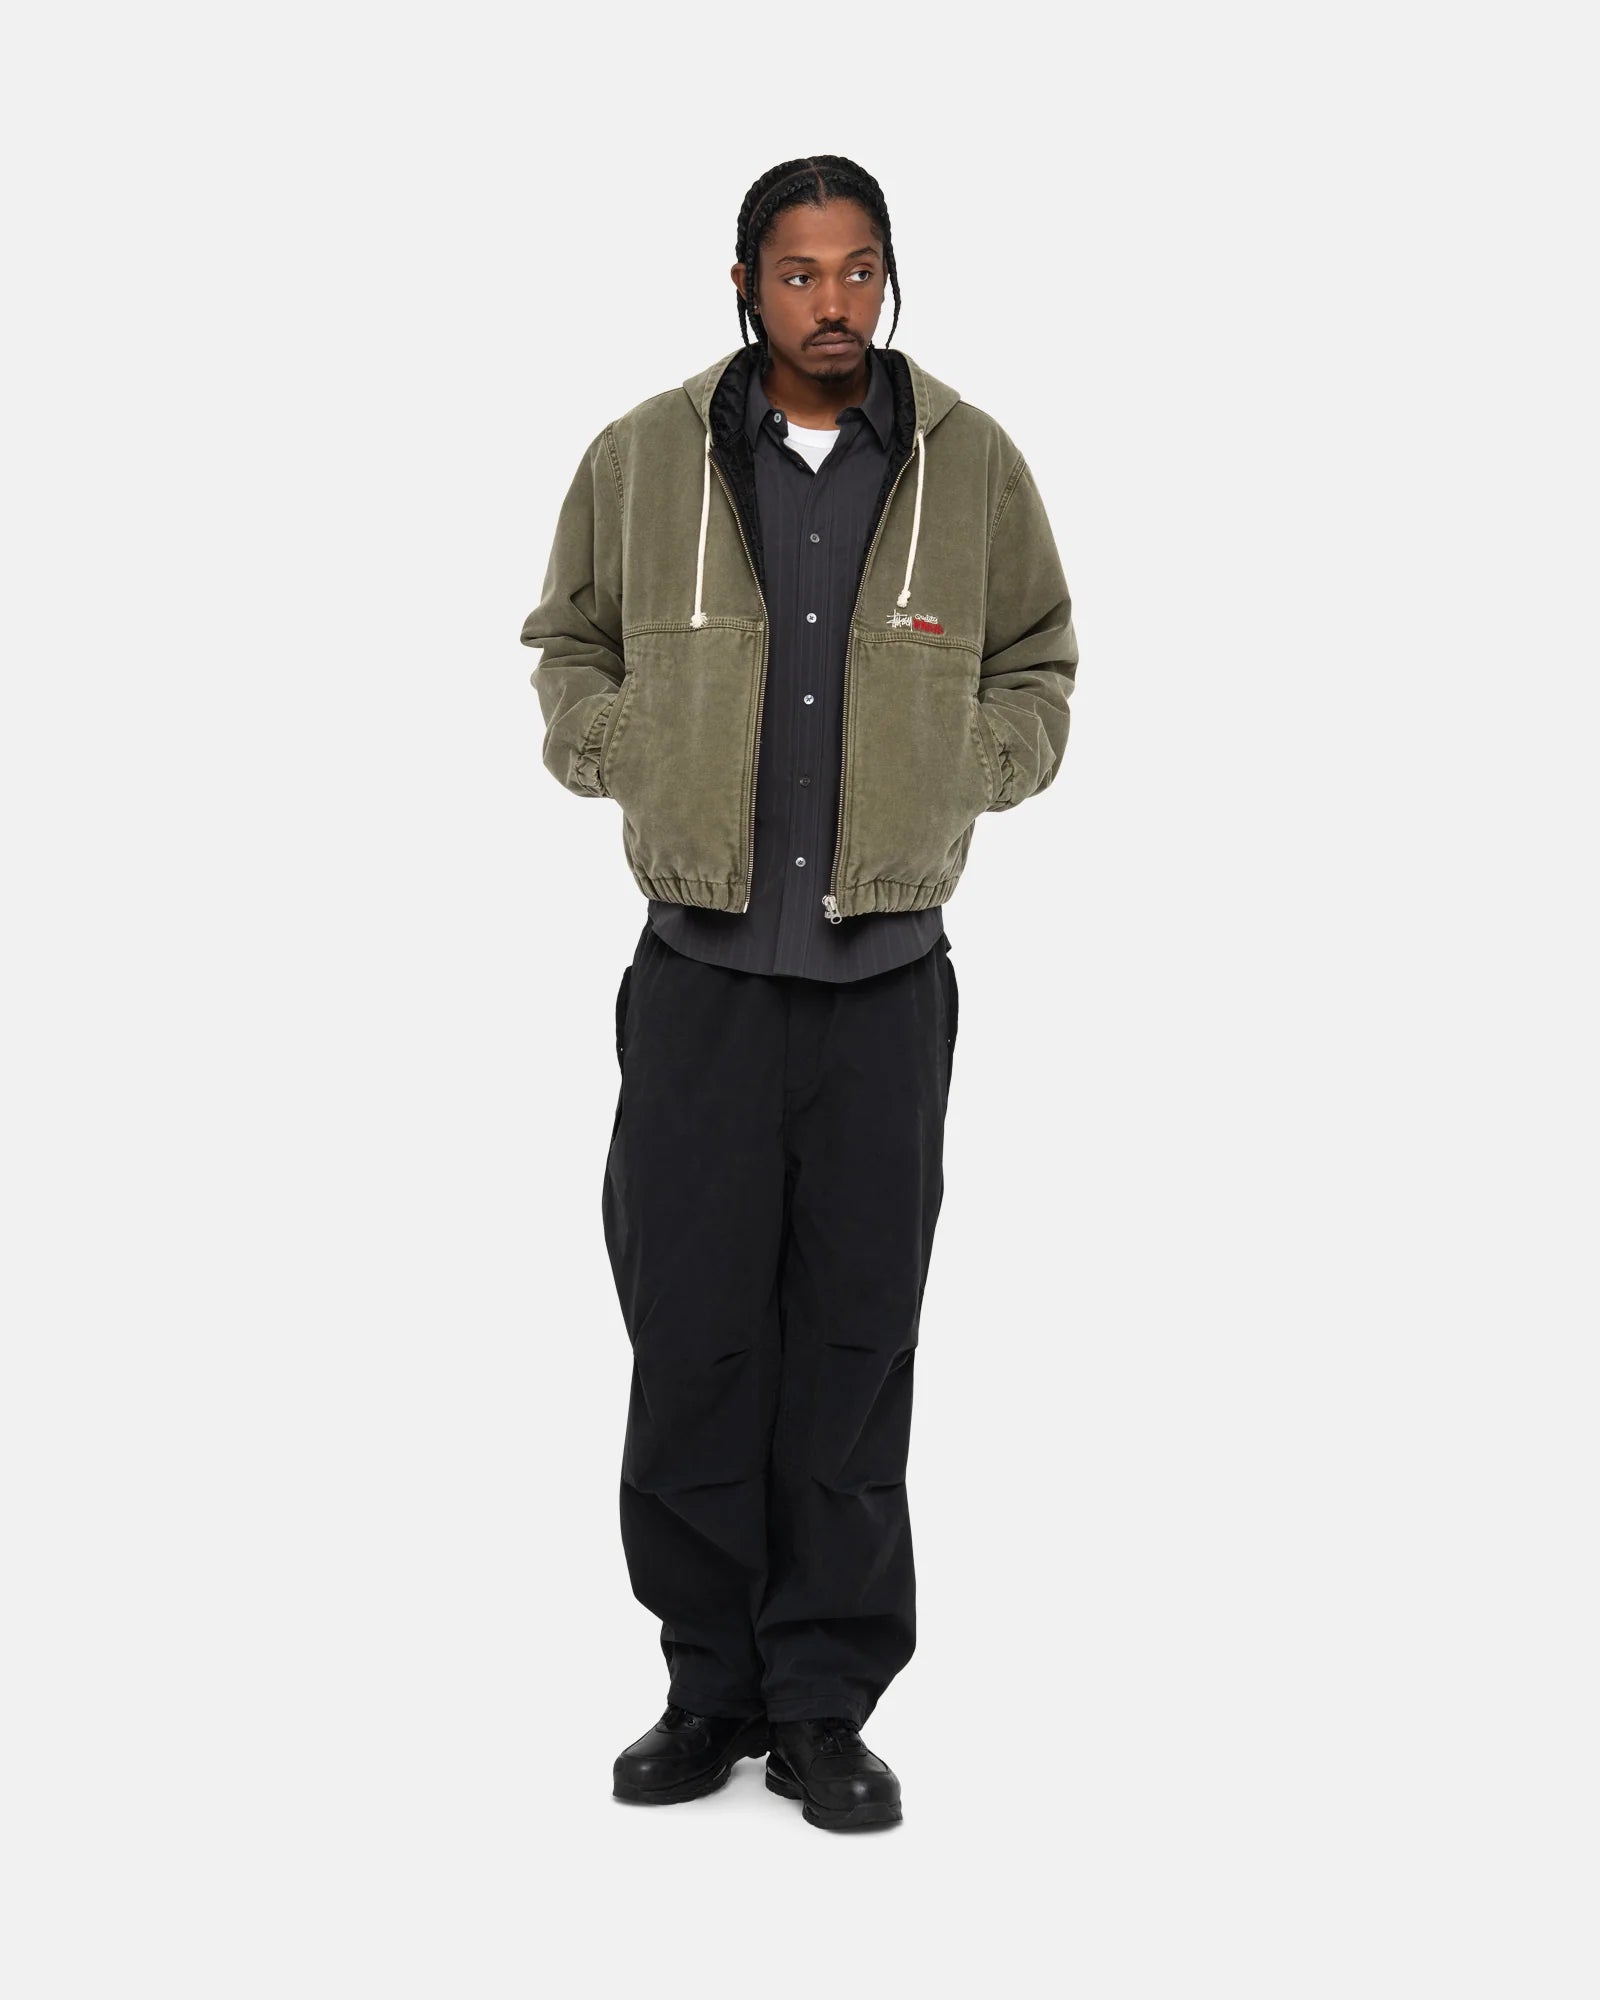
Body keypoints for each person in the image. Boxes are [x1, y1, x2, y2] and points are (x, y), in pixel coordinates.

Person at [520, 154, 1078, 1833]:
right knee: (694, 1337)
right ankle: (709, 1687)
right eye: (798, 273)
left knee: (853, 1342)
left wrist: (976, 766)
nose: (833, 304)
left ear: (889, 276)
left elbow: (1038, 658)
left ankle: (825, 1702)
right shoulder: (646, 455)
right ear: (745, 284)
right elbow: (570, 639)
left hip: (884, 985)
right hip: (699, 977)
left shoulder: (972, 463)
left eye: (859, 270)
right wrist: (616, 746)